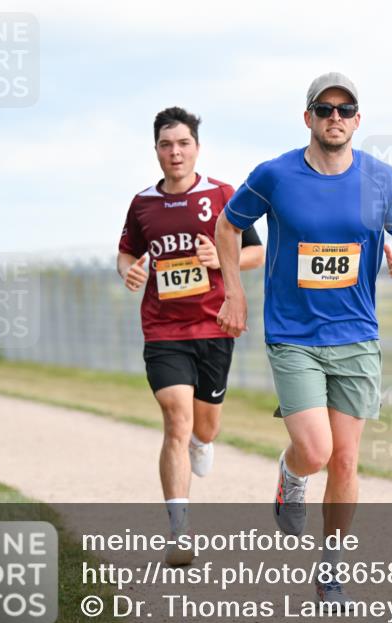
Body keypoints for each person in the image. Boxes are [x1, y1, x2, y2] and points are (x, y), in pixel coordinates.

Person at [214, 73, 392, 607]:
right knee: (315, 450)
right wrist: (234, 293)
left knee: (346, 460)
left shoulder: (380, 180)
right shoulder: (275, 175)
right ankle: (291, 474)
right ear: (307, 117)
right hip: (293, 334)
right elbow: (226, 226)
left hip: (356, 334)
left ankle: (331, 568)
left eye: (345, 109)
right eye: (324, 108)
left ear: (358, 120)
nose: (334, 117)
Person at [117, 107, 264, 566]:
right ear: (156, 150)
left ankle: (204, 441)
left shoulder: (223, 195)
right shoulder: (142, 203)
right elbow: (125, 255)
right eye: (166, 144)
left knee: (204, 426)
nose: (174, 152)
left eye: (182, 143)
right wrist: (131, 272)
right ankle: (180, 532)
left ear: (196, 148)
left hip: (214, 326)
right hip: (164, 329)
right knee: (175, 418)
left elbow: (257, 251)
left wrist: (222, 260)